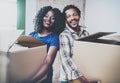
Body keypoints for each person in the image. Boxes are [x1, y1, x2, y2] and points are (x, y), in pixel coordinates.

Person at [59, 4, 100, 83]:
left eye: (75, 15)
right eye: (68, 16)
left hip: (86, 75)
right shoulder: (64, 35)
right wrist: (83, 79)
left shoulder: (86, 33)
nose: (72, 18)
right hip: (70, 79)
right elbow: (66, 60)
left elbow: (90, 54)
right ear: (65, 20)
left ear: (79, 16)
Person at [27, 6, 64, 83]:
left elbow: (47, 62)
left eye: (53, 18)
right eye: (46, 16)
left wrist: (30, 81)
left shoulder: (54, 38)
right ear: (41, 17)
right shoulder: (31, 35)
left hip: (44, 75)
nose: (49, 20)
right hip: (29, 71)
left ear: (56, 21)